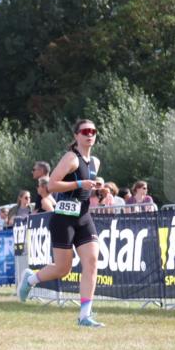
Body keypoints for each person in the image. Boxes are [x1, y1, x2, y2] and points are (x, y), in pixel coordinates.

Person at [17, 119, 106, 327]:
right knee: (62, 269)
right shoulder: (71, 158)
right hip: (63, 219)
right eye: (85, 131)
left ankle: (85, 316)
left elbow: (84, 187)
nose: (89, 134)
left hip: (83, 217)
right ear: (76, 135)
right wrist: (79, 183)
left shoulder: (95, 162)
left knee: (92, 261)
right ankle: (30, 279)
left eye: (93, 131)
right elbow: (52, 185)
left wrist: (96, 188)